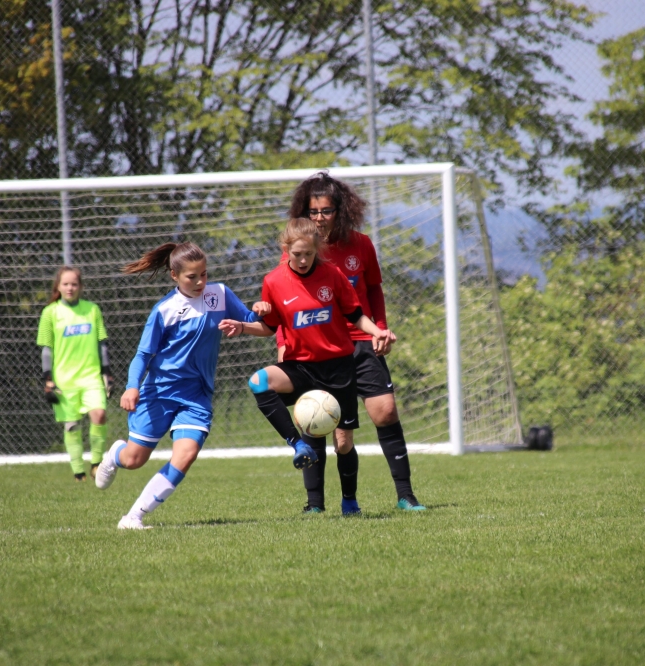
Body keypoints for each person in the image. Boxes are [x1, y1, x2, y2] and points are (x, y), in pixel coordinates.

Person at [93, 241, 273, 530]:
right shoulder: (164, 310)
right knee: (134, 459)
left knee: (186, 455)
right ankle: (116, 454)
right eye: (192, 277)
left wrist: (260, 310)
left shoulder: (220, 294)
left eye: (204, 274)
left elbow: (250, 320)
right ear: (174, 276)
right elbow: (143, 355)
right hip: (159, 393)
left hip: (196, 395)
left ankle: (133, 517)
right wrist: (131, 386)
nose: (201, 281)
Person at [279, 172, 426, 511]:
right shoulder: (298, 250)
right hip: (318, 346)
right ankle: (315, 503)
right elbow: (285, 303)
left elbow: (374, 289)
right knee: (317, 421)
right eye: (313, 211)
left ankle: (405, 495)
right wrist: (284, 343)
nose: (319, 218)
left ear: (341, 211)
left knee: (385, 411)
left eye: (326, 211)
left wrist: (380, 329)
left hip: (360, 342)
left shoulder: (361, 244)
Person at [249, 216, 391, 515]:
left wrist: (377, 331)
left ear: (317, 250)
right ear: (285, 249)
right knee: (260, 382)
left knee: (343, 442)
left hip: (338, 367)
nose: (303, 260)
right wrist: (242, 326)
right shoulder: (273, 281)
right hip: (301, 367)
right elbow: (269, 326)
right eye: (297, 254)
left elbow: (355, 315)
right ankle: (300, 458)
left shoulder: (333, 275)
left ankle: (350, 502)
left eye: (309, 254)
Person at [36, 266, 113, 482]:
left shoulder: (92, 310)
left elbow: (102, 343)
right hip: (64, 380)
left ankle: (96, 464)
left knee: (99, 414)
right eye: (66, 284)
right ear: (58, 287)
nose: (70, 288)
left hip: (91, 376)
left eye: (74, 284)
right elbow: (47, 349)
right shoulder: (50, 313)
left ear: (81, 287)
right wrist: (48, 379)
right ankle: (79, 471)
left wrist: (107, 372)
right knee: (72, 426)